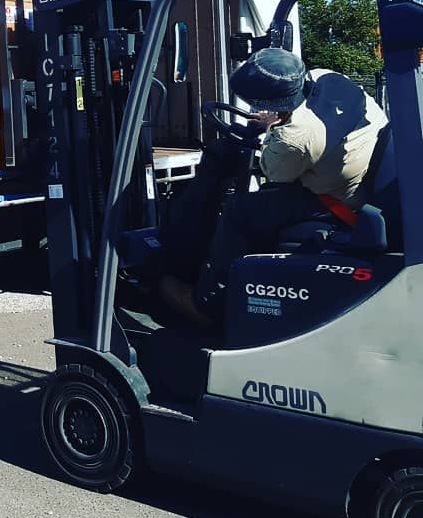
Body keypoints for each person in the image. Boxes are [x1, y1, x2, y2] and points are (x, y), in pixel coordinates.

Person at [161, 47, 388, 328]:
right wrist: (276, 121)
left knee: (239, 210)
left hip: (338, 201)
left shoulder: (296, 138)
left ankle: (209, 303)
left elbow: (275, 172)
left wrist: (270, 131)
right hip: (356, 178)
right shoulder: (327, 79)